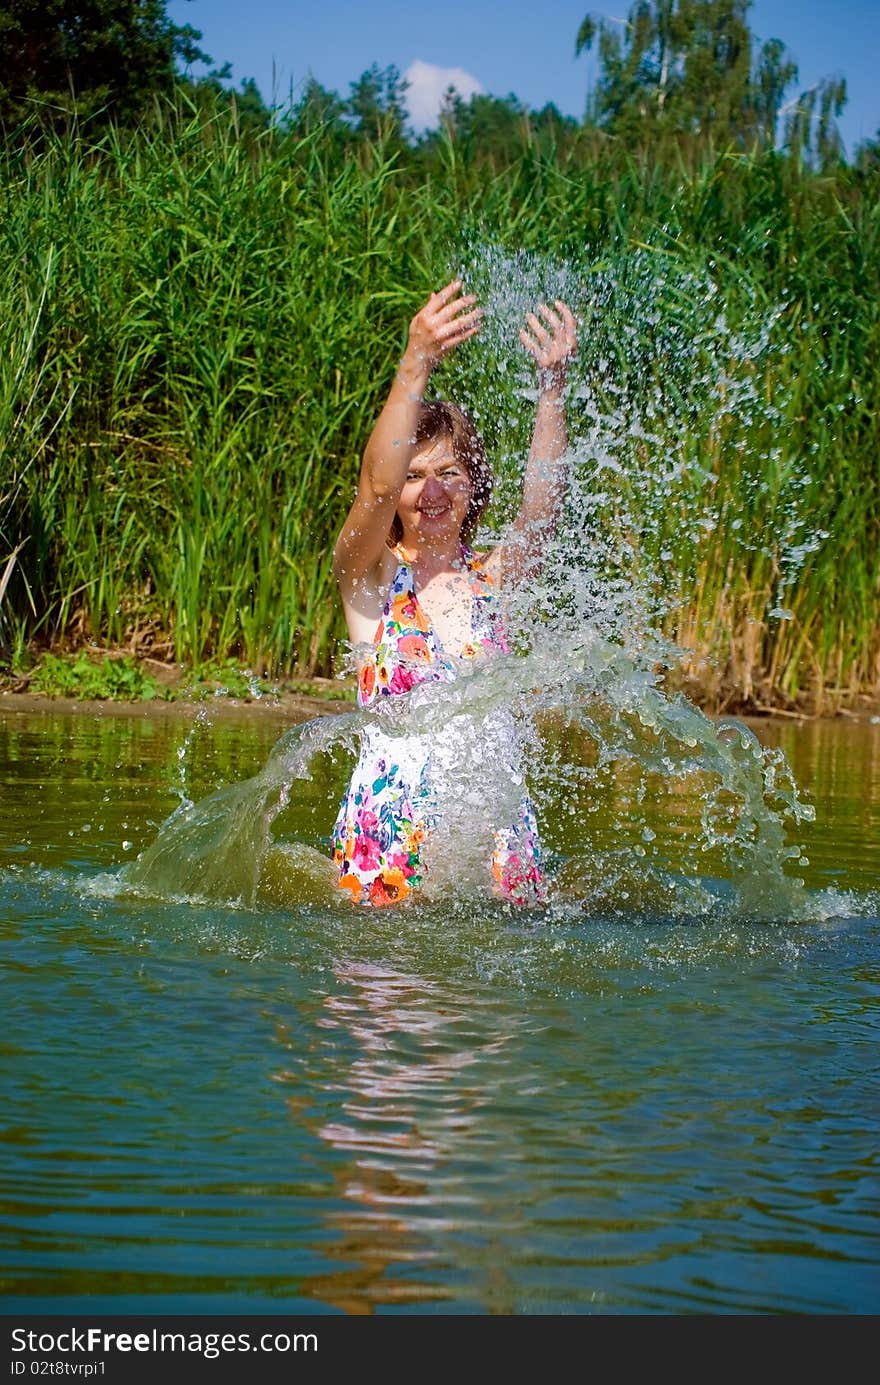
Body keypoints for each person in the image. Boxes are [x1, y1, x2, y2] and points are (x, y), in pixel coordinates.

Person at [331, 278, 577, 907]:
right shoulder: (370, 579)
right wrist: (415, 362)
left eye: (448, 473)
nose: (431, 492)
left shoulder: (492, 581)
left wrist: (552, 389)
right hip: (390, 849)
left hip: (495, 843)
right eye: (415, 476)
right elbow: (374, 491)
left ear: (473, 485)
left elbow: (542, 516)